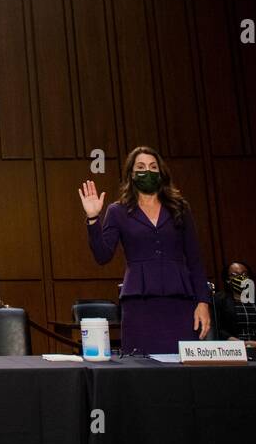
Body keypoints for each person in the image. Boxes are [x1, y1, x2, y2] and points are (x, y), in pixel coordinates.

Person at [78, 146, 211, 355]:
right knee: (141, 369)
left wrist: (203, 302)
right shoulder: (117, 211)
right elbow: (102, 256)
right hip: (139, 306)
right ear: (131, 174)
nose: (147, 171)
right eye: (140, 167)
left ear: (161, 172)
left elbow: (195, 259)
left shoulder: (179, 208)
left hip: (180, 303)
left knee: (183, 371)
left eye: (152, 166)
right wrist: (93, 219)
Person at [213, 261, 256, 353]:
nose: (241, 277)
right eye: (234, 275)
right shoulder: (219, 302)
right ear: (227, 280)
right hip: (235, 351)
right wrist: (242, 344)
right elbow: (218, 330)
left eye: (244, 274)